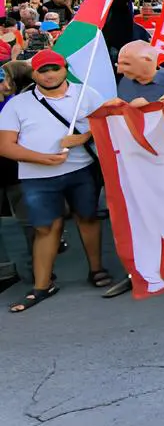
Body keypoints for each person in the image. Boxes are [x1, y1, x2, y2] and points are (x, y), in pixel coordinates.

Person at [0, 51, 111, 311]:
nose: (49, 74)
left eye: (54, 68)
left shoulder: (87, 94)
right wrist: (39, 158)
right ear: (34, 74)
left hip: (82, 171)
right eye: (43, 70)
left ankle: (96, 270)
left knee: (88, 218)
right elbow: (5, 145)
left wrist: (84, 138)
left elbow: (108, 124)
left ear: (65, 69)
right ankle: (41, 285)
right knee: (45, 228)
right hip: (37, 177)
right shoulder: (18, 104)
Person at [0, 60, 34, 290]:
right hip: (16, 169)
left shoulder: (16, 105)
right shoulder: (17, 103)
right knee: (29, 221)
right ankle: (8, 271)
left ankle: (38, 268)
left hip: (17, 170)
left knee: (29, 221)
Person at [112, 41, 164, 105]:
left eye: (126, 64)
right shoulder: (125, 81)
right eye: (119, 64)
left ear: (147, 60)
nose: (119, 70)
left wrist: (158, 106)